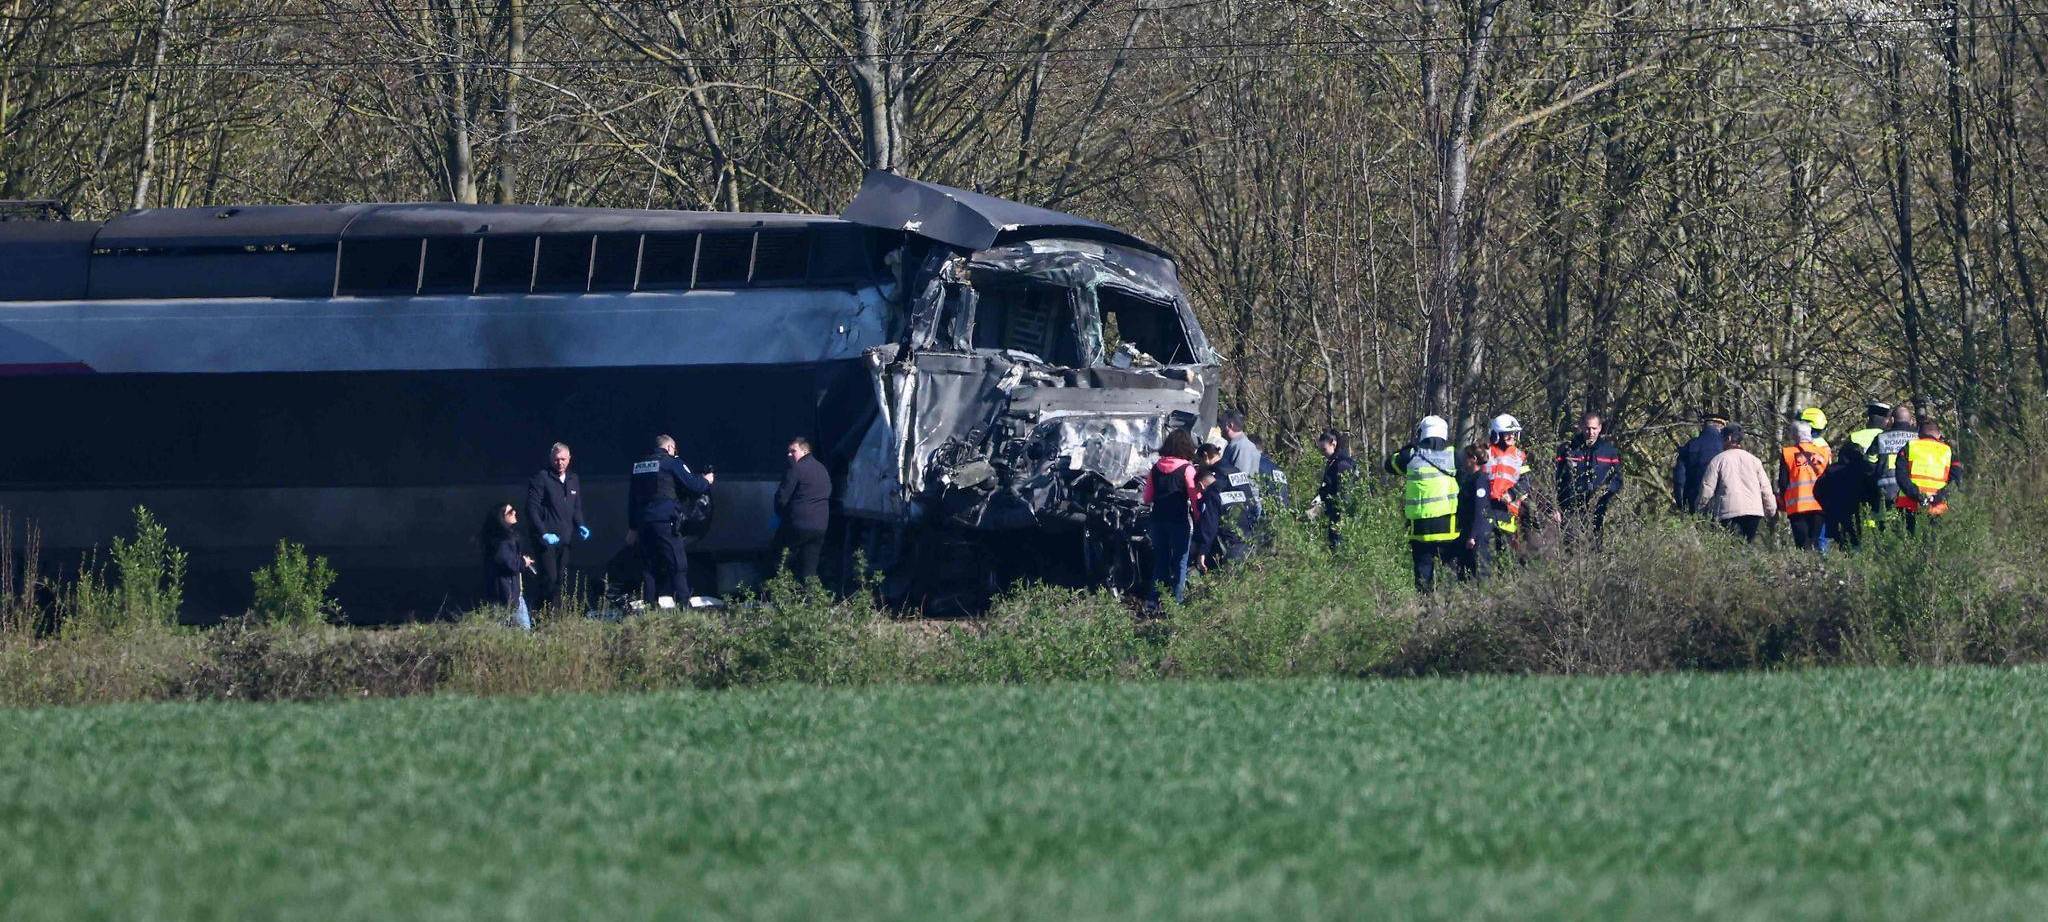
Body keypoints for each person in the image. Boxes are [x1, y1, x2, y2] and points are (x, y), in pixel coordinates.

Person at [628, 434, 714, 607]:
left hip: (644, 523)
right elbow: (694, 485)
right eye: (674, 449)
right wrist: (706, 480)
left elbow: (631, 499)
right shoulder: (671, 462)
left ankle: (650, 608)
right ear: (669, 447)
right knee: (677, 564)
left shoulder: (639, 466)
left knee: (649, 566)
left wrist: (632, 528)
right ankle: (683, 606)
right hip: (665, 521)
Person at [1385, 415, 1461, 592]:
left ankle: (1424, 606)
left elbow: (1389, 464)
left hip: (1420, 527)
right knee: (1450, 573)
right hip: (1448, 527)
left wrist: (1407, 448)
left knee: (1422, 574)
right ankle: (1451, 605)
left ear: (1422, 433)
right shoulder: (1454, 455)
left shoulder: (1410, 455)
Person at [523, 442, 588, 610]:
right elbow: (531, 509)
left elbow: (576, 507)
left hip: (565, 539)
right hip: (546, 540)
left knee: (560, 579)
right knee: (549, 578)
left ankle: (556, 616)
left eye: (563, 459)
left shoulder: (573, 479)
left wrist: (580, 525)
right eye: (556, 459)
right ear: (551, 459)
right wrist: (543, 533)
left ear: (569, 459)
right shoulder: (542, 478)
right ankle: (539, 615)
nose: (560, 463)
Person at [1142, 428, 1202, 605]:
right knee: (1180, 562)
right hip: (1178, 521)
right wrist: (1199, 518)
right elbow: (1195, 498)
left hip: (1157, 520)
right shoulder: (1187, 469)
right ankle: (1176, 603)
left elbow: (1147, 498)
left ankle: (1153, 601)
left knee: (1161, 561)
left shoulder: (1155, 468)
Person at [1697, 425, 1776, 542]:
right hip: (1753, 512)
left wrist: (1700, 510)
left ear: (1728, 438)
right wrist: (1770, 509)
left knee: (1731, 546)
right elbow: (1765, 488)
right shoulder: (1754, 460)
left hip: (1728, 512)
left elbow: (1707, 489)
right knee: (1747, 546)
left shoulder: (1718, 460)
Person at [1556, 412, 1624, 540]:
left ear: (1600, 428)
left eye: (1594, 428)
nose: (1591, 432)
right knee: (1571, 546)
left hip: (1598, 509)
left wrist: (1604, 494)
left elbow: (1617, 479)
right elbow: (1557, 479)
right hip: (1571, 509)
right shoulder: (1568, 449)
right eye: (1588, 428)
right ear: (1582, 427)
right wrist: (1556, 507)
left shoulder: (1609, 451)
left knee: (1594, 545)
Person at [773, 436, 832, 584]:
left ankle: (779, 592)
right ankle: (811, 596)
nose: (789, 454)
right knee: (809, 569)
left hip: (797, 524)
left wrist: (782, 516)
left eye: (793, 451)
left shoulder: (796, 469)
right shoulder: (822, 469)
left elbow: (782, 498)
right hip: (820, 527)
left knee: (779, 558)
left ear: (805, 451)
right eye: (788, 451)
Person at [1894, 421, 1960, 535]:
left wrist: (1917, 495)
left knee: (1907, 540)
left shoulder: (1909, 447)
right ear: (1938, 435)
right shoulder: (1948, 452)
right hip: (1937, 508)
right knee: (1932, 542)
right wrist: (1937, 497)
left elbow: (1901, 476)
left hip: (1909, 504)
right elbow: (1955, 481)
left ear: (1919, 434)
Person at [1778, 414, 1831, 551]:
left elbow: (1783, 482)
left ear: (1794, 435)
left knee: (1802, 546)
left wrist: (1783, 501)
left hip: (1797, 507)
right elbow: (1829, 479)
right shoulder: (1823, 453)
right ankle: (1817, 564)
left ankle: (1805, 564)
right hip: (1819, 506)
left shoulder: (1788, 453)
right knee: (1815, 543)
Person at [479, 502, 534, 630]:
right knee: (520, 629)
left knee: (520, 629)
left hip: (513, 593)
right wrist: (523, 562)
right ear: (501, 518)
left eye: (513, 510)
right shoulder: (502, 541)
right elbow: (508, 563)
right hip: (506, 594)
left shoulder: (504, 538)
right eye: (509, 512)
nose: (514, 512)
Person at [1484, 414, 1530, 553]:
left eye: (1513, 433)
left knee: (1506, 553)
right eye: (1507, 434)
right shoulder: (1486, 453)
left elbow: (1525, 482)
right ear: (1496, 435)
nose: (1512, 437)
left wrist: (1511, 494)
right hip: (1486, 508)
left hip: (1508, 510)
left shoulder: (1519, 456)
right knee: (1484, 553)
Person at [1843, 402, 1891, 532]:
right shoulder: (1889, 438)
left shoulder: (1854, 437)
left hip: (1860, 492)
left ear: (1869, 418)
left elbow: (1844, 468)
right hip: (1886, 490)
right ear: (1886, 420)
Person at [1869, 405, 1920, 527]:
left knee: (1884, 526)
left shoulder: (1881, 437)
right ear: (1911, 420)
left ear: (1892, 419)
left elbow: (1870, 463)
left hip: (1885, 491)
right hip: (1910, 491)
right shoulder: (1918, 438)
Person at [1671, 412, 1728, 514]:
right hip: (1724, 504)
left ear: (1704, 426)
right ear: (1721, 426)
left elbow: (1680, 479)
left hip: (1694, 500)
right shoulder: (1727, 448)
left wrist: (1681, 503)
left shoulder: (1691, 445)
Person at [1456, 444, 1497, 582]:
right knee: (1464, 570)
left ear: (1473, 459)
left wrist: (1473, 536)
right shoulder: (1469, 478)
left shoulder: (1480, 480)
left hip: (1477, 532)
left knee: (1480, 570)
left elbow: (1480, 509)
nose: (1463, 460)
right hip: (1467, 529)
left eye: (1465, 457)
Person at [1216, 410, 1264, 520]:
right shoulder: (1235, 445)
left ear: (1230, 425)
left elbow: (1239, 482)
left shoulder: (1242, 447)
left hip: (1240, 509)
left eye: (1222, 424)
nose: (1220, 427)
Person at [1316, 429, 1359, 547]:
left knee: (1339, 546)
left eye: (1324, 449)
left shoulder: (1342, 464)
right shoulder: (1332, 463)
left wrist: (1340, 514)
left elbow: (1344, 493)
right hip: (1334, 513)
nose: (1322, 453)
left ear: (1333, 444)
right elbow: (1327, 486)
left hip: (1341, 515)